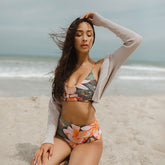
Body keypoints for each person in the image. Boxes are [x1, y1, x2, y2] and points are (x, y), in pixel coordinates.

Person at [31, 12, 143, 165]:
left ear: (93, 39)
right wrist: (48, 140)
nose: (85, 38)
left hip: (88, 138)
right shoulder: (63, 70)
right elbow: (54, 107)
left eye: (89, 34)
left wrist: (102, 22)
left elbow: (135, 40)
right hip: (62, 135)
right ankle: (66, 157)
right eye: (79, 34)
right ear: (72, 39)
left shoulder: (101, 67)